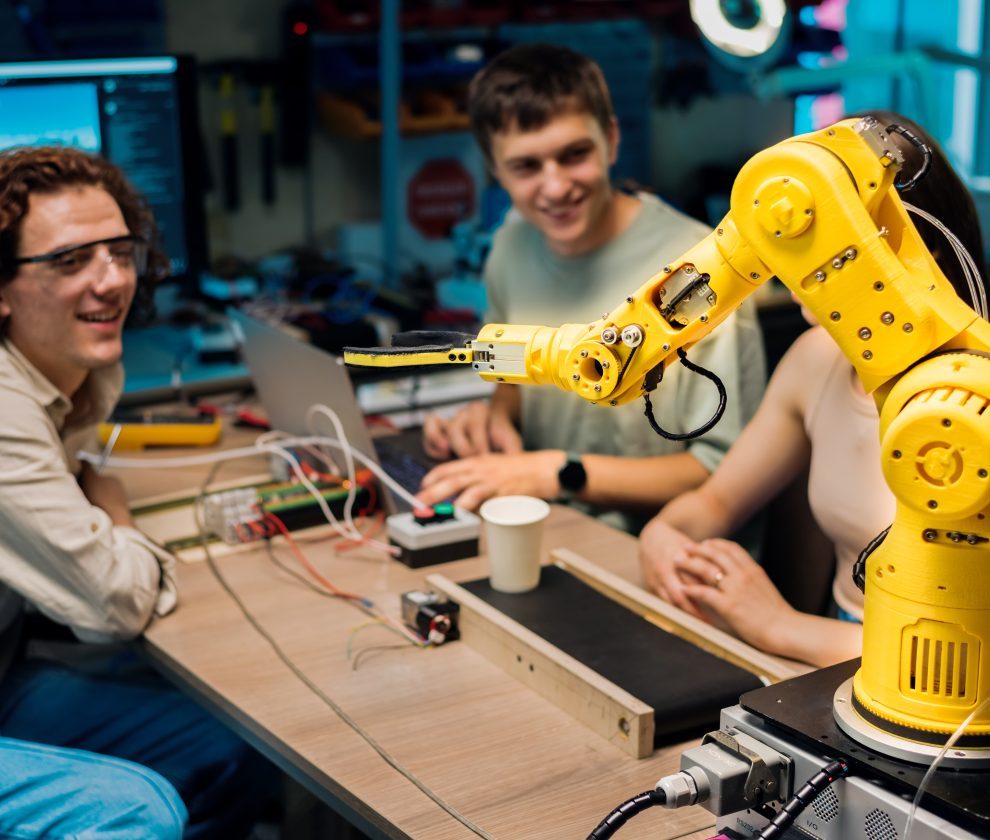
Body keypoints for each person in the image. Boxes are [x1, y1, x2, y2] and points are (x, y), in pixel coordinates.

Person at [638, 112, 989, 667]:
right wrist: (665, 536)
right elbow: (716, 501)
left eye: (838, 247)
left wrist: (779, 626)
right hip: (832, 664)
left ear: (921, 259)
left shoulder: (977, 403)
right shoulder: (817, 360)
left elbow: (967, 666)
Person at [0, 146, 275, 837]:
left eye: (120, 251)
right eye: (70, 261)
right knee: (136, 812)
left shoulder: (65, 375)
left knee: (251, 742)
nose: (112, 280)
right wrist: (114, 514)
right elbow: (114, 603)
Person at [417, 43, 767, 533]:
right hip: (546, 525)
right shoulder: (511, 245)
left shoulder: (701, 273)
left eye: (574, 154)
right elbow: (510, 376)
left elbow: (724, 473)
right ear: (495, 171)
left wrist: (556, 472)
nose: (556, 187)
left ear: (612, 139)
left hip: (659, 551)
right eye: (526, 166)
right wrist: (491, 419)